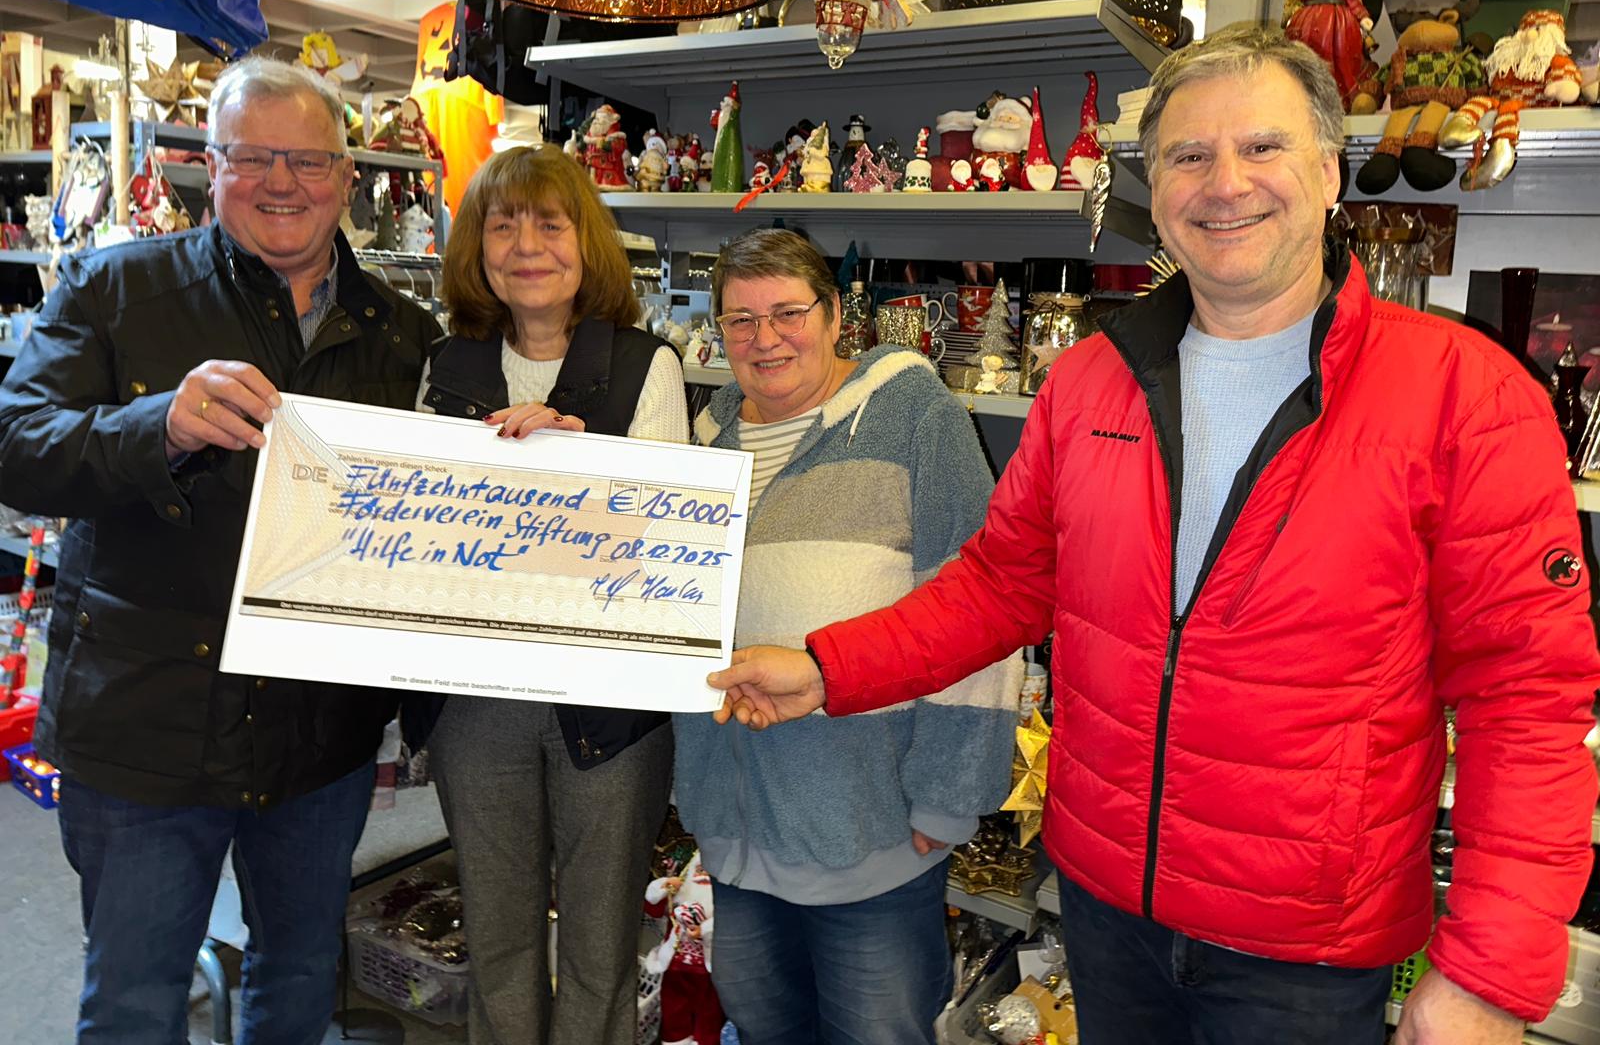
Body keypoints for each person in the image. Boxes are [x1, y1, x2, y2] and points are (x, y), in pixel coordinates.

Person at [707, 25, 1600, 1045]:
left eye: (1260, 147)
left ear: (1326, 171)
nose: (1225, 183)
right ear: (1157, 188)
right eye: (1189, 155)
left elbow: (1528, 700)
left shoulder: (1464, 394)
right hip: (1107, 911)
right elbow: (999, 584)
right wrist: (827, 669)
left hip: (1302, 947)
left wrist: (1487, 975)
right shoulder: (1091, 378)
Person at [0, 57, 440, 1043]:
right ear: (210, 165)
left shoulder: (402, 335)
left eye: (308, 160)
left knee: (299, 979)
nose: (282, 182)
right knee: (135, 1002)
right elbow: (14, 449)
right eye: (253, 158)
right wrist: (153, 426)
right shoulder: (117, 289)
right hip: (147, 728)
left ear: (347, 177)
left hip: (318, 737)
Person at [674, 228, 1022, 1044]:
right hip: (735, 829)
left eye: (788, 313)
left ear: (835, 317)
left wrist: (948, 797)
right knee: (763, 1027)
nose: (765, 339)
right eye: (739, 320)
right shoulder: (705, 440)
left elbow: (981, 617)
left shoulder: (916, 419)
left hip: (871, 831)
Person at [406, 144, 686, 1045]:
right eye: (503, 225)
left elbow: (659, 548)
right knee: (497, 938)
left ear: (586, 242)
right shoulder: (444, 366)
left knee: (601, 947)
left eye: (551, 224)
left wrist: (574, 466)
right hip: (474, 698)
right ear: (476, 249)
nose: (527, 246)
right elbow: (418, 533)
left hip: (607, 705)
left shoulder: (648, 366)